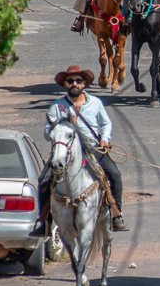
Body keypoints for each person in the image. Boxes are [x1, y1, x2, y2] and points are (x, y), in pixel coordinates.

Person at [31, 64, 128, 235]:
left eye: (78, 80)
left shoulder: (95, 103)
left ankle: (116, 214)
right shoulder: (57, 106)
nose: (74, 84)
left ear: (84, 84)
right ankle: (44, 221)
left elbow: (106, 123)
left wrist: (105, 139)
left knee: (114, 174)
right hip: (65, 150)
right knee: (44, 180)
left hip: (92, 147)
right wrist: (56, 129)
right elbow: (47, 133)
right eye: (70, 81)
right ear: (65, 84)